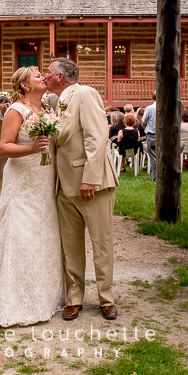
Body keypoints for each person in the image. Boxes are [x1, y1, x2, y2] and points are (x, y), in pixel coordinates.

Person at [0, 67, 65, 327]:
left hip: (43, 180)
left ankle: (44, 295)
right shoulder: (16, 110)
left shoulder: (46, 109)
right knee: (21, 234)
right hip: (22, 181)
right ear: (25, 85)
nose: (43, 77)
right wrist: (32, 148)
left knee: (43, 234)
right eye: (37, 75)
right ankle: (15, 299)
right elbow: (4, 147)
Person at [45, 58, 119, 321]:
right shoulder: (55, 101)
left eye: (48, 72)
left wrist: (90, 178)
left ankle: (106, 298)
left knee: (101, 243)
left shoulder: (86, 93)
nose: (44, 76)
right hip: (64, 185)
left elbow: (97, 137)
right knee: (70, 246)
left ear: (60, 76)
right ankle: (74, 298)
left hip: (92, 184)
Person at [143, 93, 157, 180]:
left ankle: (155, 176)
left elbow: (144, 122)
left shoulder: (149, 108)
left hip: (152, 134)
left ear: (152, 98)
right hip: (163, 134)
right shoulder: (166, 107)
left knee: (153, 156)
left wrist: (144, 128)